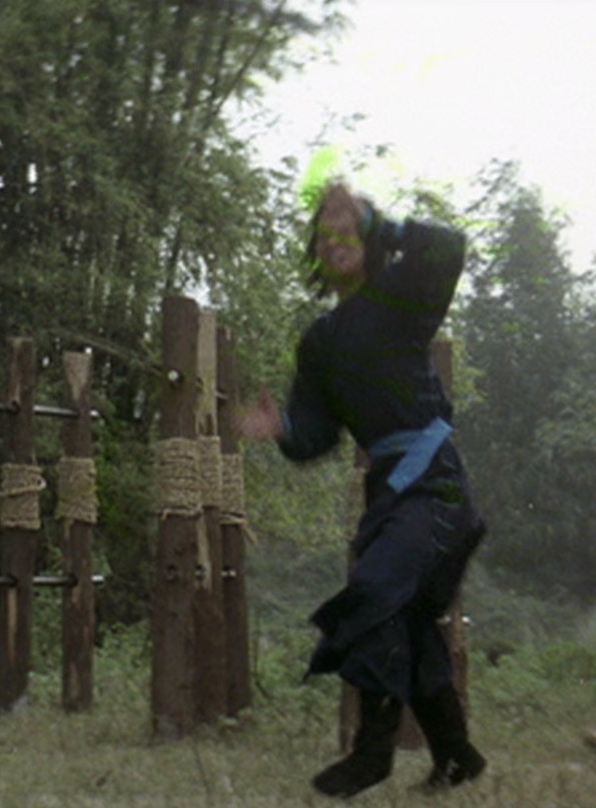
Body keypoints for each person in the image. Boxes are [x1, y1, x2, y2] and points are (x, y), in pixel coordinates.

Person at [231, 182, 488, 798]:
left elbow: (448, 247)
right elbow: (315, 435)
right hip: (391, 498)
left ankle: (373, 754)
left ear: (369, 239)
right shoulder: (319, 342)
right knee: (406, 622)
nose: (334, 239)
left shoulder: (402, 298)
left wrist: (385, 222)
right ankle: (456, 757)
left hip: (439, 490)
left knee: (375, 592)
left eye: (347, 228)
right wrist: (281, 428)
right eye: (324, 232)